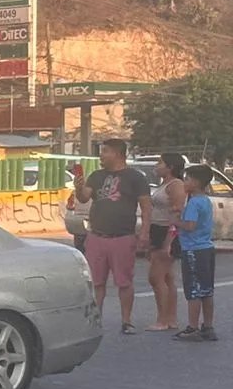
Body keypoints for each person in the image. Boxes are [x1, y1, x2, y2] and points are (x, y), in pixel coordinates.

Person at [71, 139, 151, 332]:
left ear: (118, 154)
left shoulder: (135, 177)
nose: (101, 155)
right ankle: (96, 321)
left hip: (122, 237)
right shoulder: (97, 175)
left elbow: (146, 207)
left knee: (124, 282)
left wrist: (144, 233)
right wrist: (78, 186)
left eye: (105, 151)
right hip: (97, 236)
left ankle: (126, 321)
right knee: (96, 282)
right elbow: (84, 197)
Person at [172, 165, 217, 341]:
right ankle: (208, 325)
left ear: (196, 182)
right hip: (206, 248)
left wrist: (176, 221)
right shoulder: (205, 200)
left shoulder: (194, 202)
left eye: (187, 179)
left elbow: (190, 226)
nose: (185, 182)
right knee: (207, 289)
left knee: (193, 290)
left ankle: (192, 327)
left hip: (193, 249)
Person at [146, 153, 187, 330]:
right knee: (167, 277)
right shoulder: (164, 184)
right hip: (157, 230)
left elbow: (177, 213)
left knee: (156, 277)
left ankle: (163, 319)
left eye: (160, 162)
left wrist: (169, 241)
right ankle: (170, 319)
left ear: (170, 167)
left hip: (166, 231)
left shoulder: (176, 185)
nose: (157, 165)